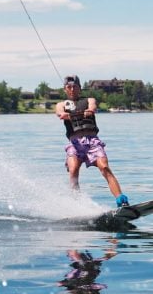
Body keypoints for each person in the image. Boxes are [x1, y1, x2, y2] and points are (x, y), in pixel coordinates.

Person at [55, 75, 129, 207]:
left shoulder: (90, 100)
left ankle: (122, 201)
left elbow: (92, 109)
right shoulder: (61, 104)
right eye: (69, 87)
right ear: (65, 89)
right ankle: (76, 205)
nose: (72, 89)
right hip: (75, 144)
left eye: (75, 86)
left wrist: (75, 114)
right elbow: (61, 115)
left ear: (79, 88)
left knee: (104, 167)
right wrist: (77, 114)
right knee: (73, 171)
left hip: (92, 142)